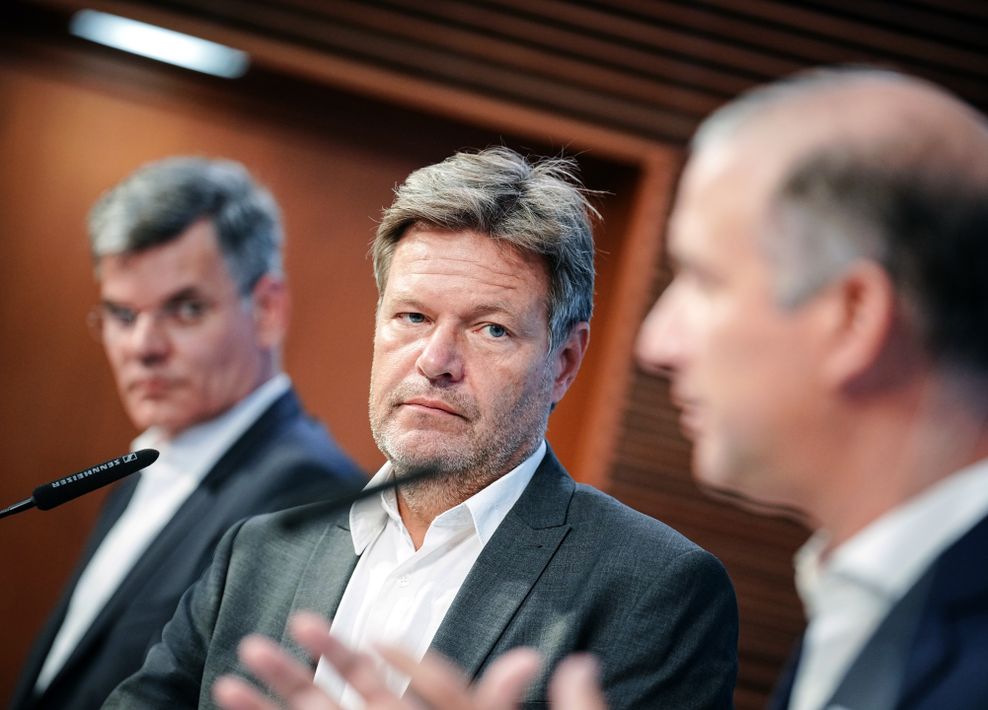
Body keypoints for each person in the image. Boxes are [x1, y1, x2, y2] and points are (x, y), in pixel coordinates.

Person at [211, 68, 988, 710]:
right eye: (411, 316)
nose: (659, 340)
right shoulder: (855, 600)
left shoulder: (662, 592)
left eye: (707, 282)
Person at [103, 146, 739, 709]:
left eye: (491, 329)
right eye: (411, 316)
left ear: (564, 363)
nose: (436, 362)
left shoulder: (655, 591)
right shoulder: (260, 552)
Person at [10, 157, 365, 710]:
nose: (142, 347)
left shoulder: (311, 494)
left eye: (185, 309)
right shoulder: (146, 463)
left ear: (268, 309)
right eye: (122, 315)